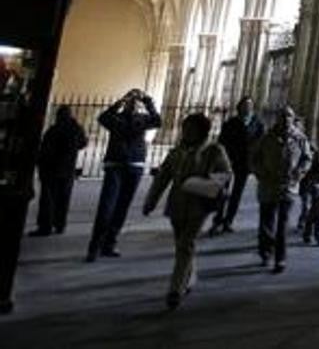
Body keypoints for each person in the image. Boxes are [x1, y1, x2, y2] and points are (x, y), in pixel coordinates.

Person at [142, 112, 232, 309]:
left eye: (191, 129)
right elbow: (162, 178)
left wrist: (207, 184)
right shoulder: (176, 152)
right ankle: (189, 277)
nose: (187, 132)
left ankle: (175, 289)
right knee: (182, 245)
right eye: (185, 128)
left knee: (186, 243)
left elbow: (225, 173)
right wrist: (151, 201)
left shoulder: (214, 150)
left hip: (199, 206)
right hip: (177, 205)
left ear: (202, 131)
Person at [86, 88, 161, 262]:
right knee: (106, 207)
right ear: (125, 105)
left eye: (135, 103)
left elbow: (158, 121)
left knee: (122, 207)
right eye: (130, 102)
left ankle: (109, 244)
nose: (133, 105)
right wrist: (121, 101)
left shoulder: (142, 120)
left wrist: (148, 101)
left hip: (134, 165)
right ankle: (95, 246)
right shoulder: (116, 118)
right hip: (116, 165)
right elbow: (102, 117)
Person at [251, 106, 310, 273]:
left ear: (293, 118)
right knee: (267, 221)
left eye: (289, 116)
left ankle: (280, 258)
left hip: (288, 186)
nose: (285, 119)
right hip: (268, 185)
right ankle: (265, 251)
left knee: (283, 224)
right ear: (277, 118)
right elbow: (254, 158)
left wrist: (299, 173)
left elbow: (307, 158)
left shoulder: (300, 138)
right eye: (282, 116)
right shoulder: (266, 138)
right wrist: (261, 173)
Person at [29, 106, 87, 236]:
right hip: (68, 169)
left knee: (48, 199)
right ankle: (60, 225)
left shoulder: (54, 130)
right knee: (63, 199)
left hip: (51, 169)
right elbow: (83, 143)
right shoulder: (76, 129)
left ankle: (45, 226)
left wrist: (40, 163)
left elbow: (45, 150)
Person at [209, 96, 263, 235]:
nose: (247, 108)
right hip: (228, 160)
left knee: (236, 194)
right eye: (245, 105)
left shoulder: (258, 124)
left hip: (245, 162)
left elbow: (260, 143)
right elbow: (222, 141)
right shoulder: (231, 122)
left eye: (250, 105)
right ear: (239, 107)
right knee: (221, 192)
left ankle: (229, 221)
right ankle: (217, 220)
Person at [299, 146, 319, 246]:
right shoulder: (306, 162)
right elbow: (303, 177)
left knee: (317, 213)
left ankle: (314, 235)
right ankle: (309, 234)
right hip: (308, 188)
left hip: (317, 190)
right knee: (309, 211)